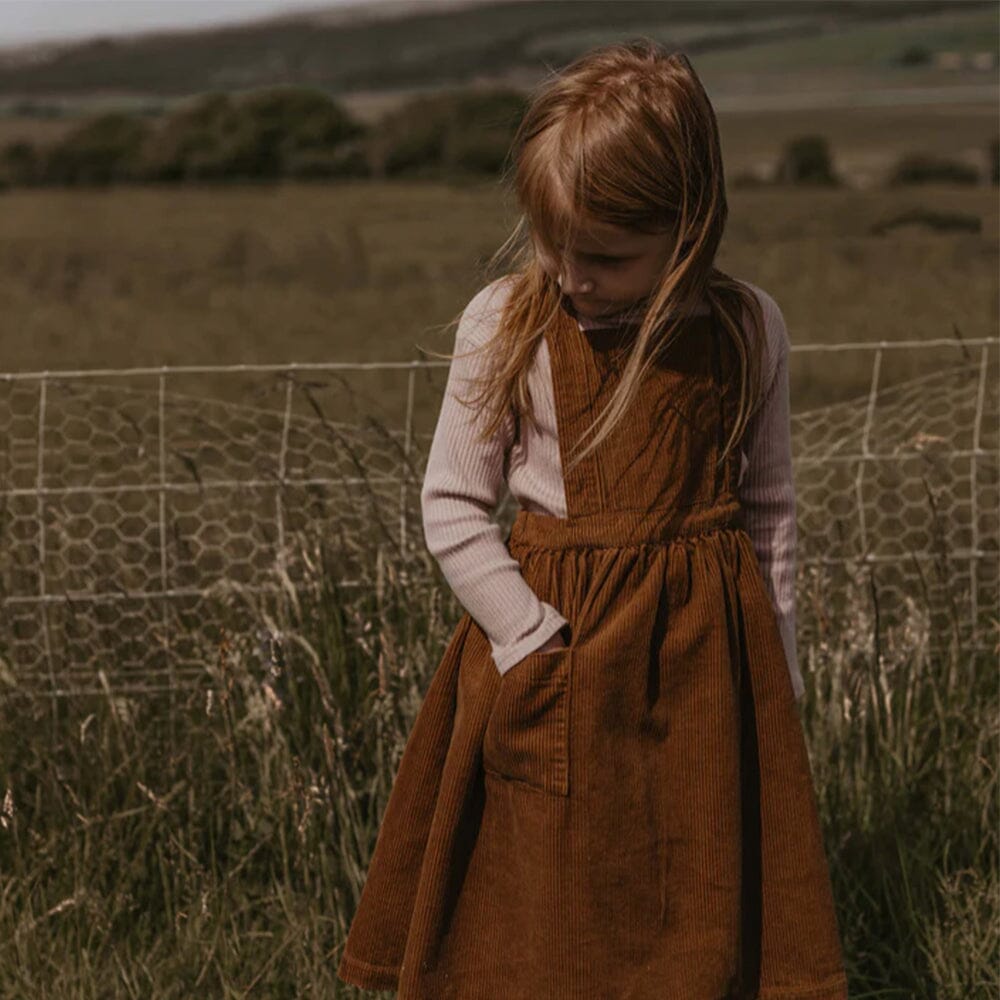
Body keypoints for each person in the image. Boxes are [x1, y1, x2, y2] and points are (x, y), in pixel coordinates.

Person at [337, 39, 848, 999]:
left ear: (688, 226)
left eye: (607, 256)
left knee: (695, 893)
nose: (570, 275)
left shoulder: (747, 330)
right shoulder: (509, 322)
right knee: (547, 905)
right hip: (555, 656)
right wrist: (529, 641)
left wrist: (772, 669)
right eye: (549, 242)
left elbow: (771, 508)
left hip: (708, 668)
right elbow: (451, 504)